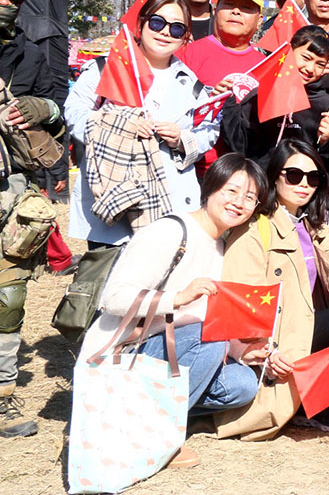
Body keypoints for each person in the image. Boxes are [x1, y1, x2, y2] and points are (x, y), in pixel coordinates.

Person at [78, 155, 265, 469]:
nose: (238, 203)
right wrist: (177, 297)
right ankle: (154, 433)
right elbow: (113, 298)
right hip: (128, 350)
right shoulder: (170, 231)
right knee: (210, 341)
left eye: (249, 197)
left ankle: (141, 411)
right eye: (231, 191)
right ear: (210, 188)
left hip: (171, 352)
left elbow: (203, 317)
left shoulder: (223, 246)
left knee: (243, 384)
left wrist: (242, 351)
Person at [215, 140, 329, 438]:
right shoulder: (255, 230)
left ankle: (316, 403)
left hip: (304, 325)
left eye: (313, 177)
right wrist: (263, 350)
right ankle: (302, 404)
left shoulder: (313, 225)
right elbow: (242, 298)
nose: (304, 184)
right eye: (293, 175)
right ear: (275, 177)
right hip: (277, 340)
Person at [66, 0, 219, 246]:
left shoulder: (193, 85)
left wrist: (182, 140)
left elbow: (209, 130)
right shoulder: (104, 68)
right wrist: (118, 125)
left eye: (177, 28)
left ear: (185, 36)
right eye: (157, 22)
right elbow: (74, 113)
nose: (165, 32)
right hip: (113, 206)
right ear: (142, 23)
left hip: (171, 205)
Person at [0, 0, 66, 438]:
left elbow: (61, 116)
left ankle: (2, 397)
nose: (4, 2)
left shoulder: (31, 56)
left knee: (8, 295)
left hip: (12, 191)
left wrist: (43, 110)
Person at [219, 26, 329, 176]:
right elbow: (238, 145)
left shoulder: (326, 105)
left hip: (304, 193)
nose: (310, 68)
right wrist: (228, 103)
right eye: (306, 58)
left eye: (320, 64)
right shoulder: (262, 92)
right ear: (289, 51)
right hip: (261, 188)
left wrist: (327, 142)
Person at [177, 0, 267, 99]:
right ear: (215, 11)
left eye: (246, 7)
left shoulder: (267, 65)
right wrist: (207, 101)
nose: (236, 12)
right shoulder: (185, 54)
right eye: (229, 4)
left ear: (259, 20)